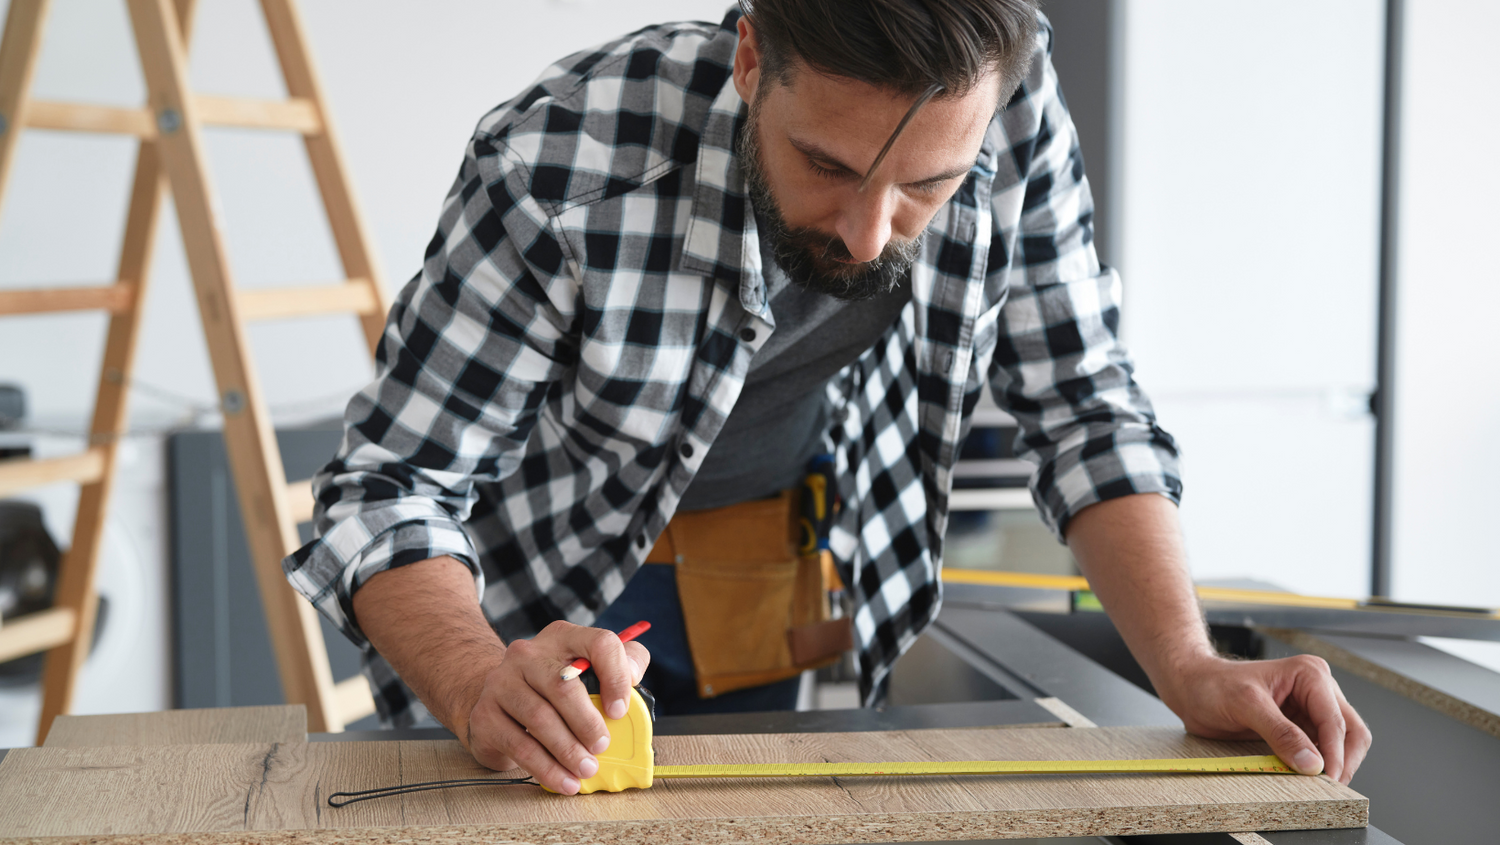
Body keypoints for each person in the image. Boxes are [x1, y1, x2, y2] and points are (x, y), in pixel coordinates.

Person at [284, 0, 1372, 796]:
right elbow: (384, 491)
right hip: (533, 616)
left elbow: (1085, 405)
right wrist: (479, 681)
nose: (867, 232)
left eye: (926, 190)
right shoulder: (559, 164)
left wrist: (1186, 666)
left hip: (767, 578)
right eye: (829, 165)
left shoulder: (1016, 103)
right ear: (752, 56)